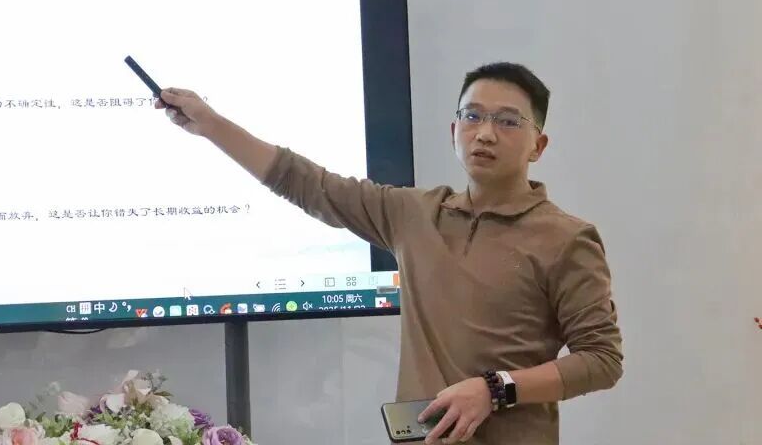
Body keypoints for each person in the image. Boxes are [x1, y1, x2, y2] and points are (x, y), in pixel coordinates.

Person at [154, 62, 623, 444]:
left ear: (538, 145)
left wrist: (496, 389)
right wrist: (211, 125)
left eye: (507, 121)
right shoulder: (415, 214)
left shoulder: (566, 238)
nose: (484, 133)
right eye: (472, 116)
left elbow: (602, 360)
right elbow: (306, 183)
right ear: (453, 129)